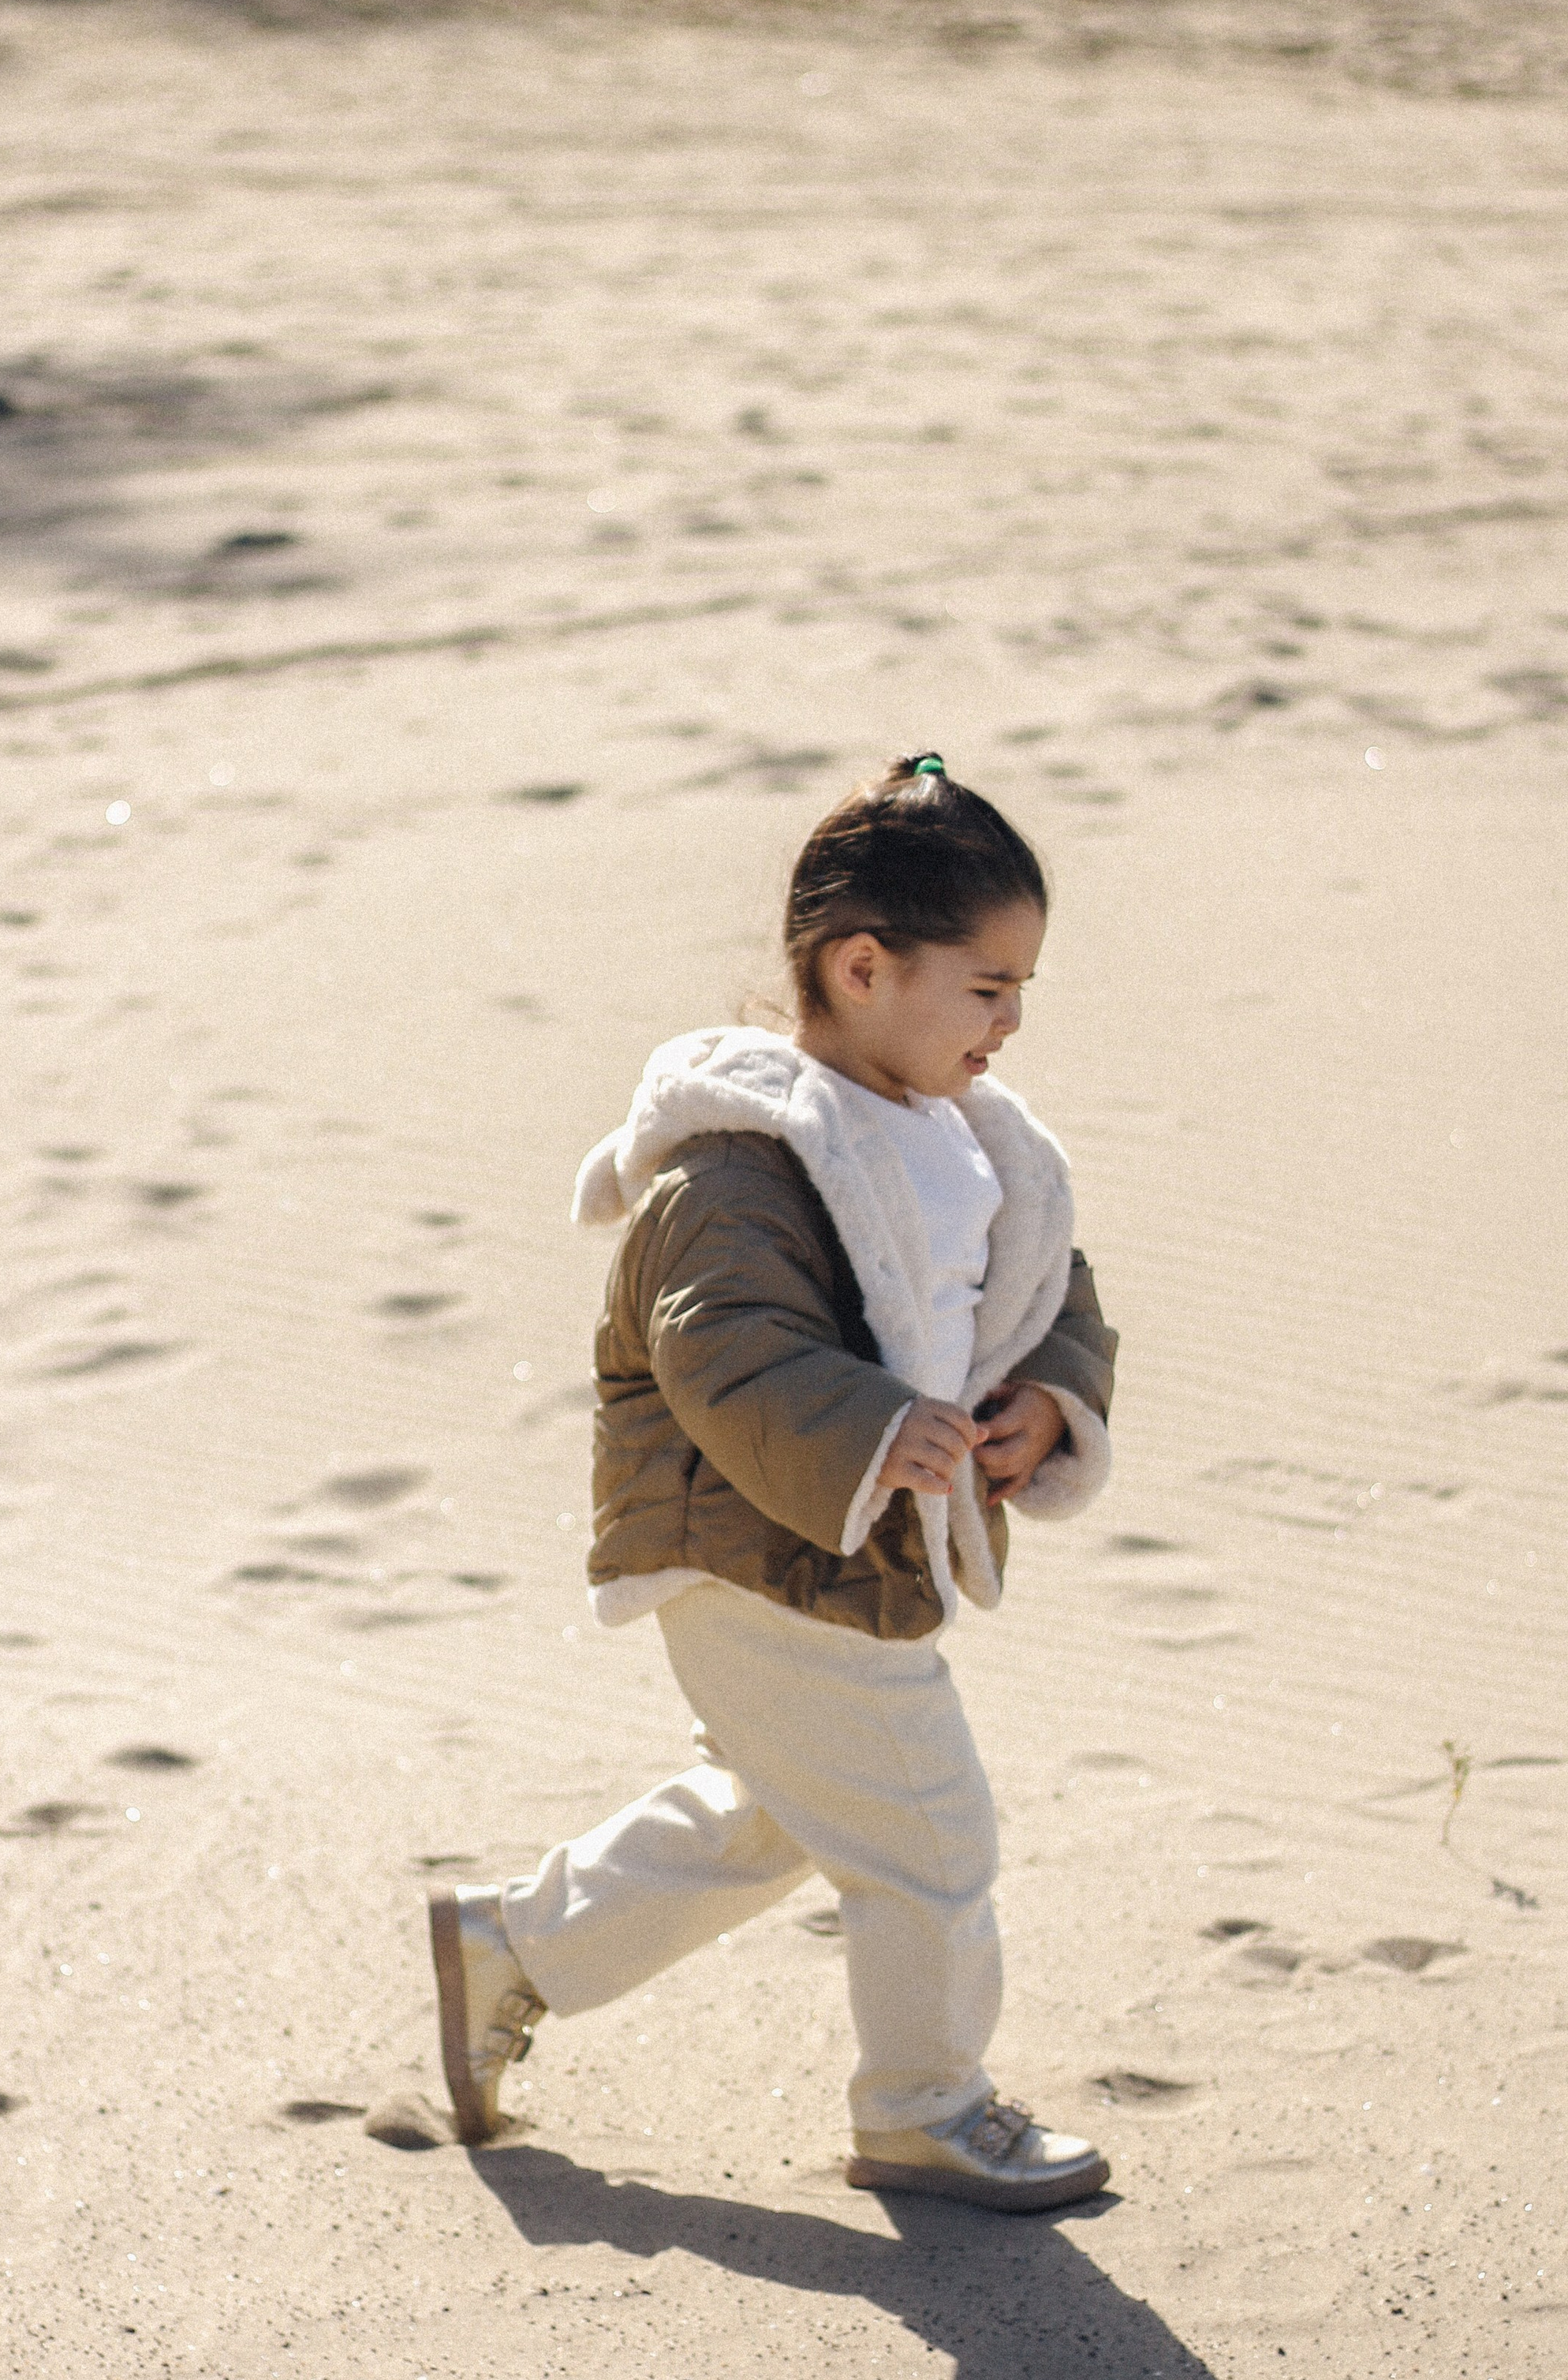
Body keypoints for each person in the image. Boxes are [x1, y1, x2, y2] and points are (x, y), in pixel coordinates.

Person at [429, 756, 1119, 2210]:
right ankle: (925, 2107)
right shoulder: (737, 1167)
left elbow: (1050, 1283)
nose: (1010, 1024)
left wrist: (1049, 1400)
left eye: (1023, 990)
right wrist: (875, 1426)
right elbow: (723, 1350)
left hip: (848, 1547)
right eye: (987, 986)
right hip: (756, 1547)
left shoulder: (958, 1139)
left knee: (790, 1812)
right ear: (864, 967)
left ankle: (517, 1946)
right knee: (929, 1833)